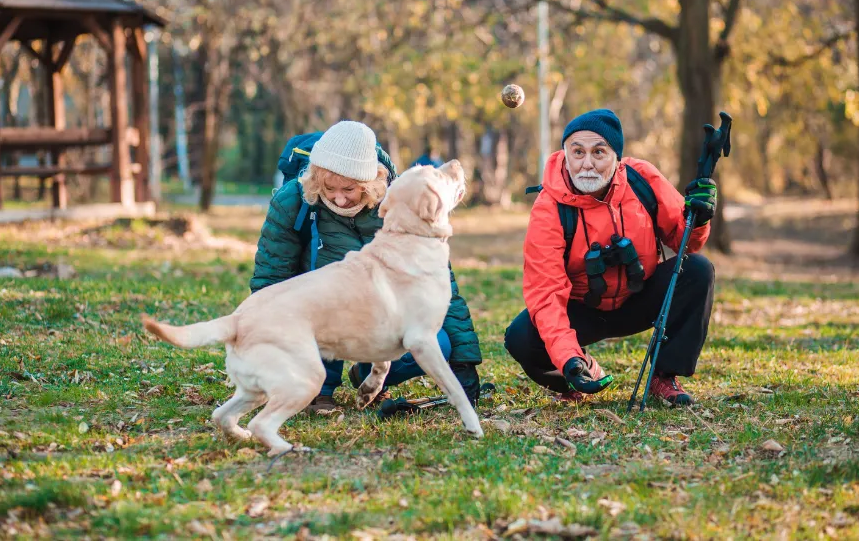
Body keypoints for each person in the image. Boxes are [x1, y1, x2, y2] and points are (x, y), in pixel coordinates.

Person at [250, 121, 482, 411]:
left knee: (440, 343)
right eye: (328, 187)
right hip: (313, 317)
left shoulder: (402, 201)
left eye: (349, 188)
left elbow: (437, 281)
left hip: (379, 317)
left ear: (371, 182)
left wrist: (464, 360)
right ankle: (318, 388)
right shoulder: (292, 201)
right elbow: (269, 280)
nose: (338, 197)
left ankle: (369, 375)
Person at [504, 109, 717, 406]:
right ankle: (576, 376)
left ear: (617, 157)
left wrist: (700, 218)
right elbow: (546, 292)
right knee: (520, 338)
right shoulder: (548, 208)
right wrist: (569, 359)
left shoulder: (642, 179)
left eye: (599, 152)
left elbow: (686, 243)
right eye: (577, 152)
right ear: (565, 154)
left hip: (639, 298)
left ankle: (664, 376)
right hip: (581, 310)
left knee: (697, 270)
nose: (587, 163)